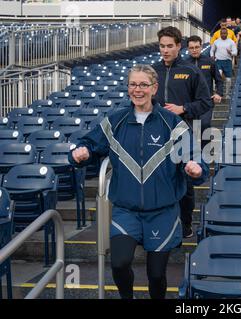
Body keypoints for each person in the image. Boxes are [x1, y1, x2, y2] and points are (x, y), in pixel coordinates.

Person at [68, 64, 209, 299]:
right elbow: (89, 144)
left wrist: (197, 168)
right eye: (133, 84)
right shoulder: (116, 120)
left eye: (143, 84)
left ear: (154, 88)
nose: (138, 89)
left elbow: (195, 156)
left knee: (156, 274)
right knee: (120, 263)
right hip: (126, 210)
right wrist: (80, 153)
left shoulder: (172, 123)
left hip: (162, 211)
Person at [152, 26, 212, 239]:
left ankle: (185, 224)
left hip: (183, 136)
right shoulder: (152, 71)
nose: (165, 50)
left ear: (179, 46)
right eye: (162, 46)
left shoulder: (191, 71)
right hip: (155, 137)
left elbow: (205, 102)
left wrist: (183, 108)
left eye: (170, 46)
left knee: (185, 182)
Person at [185, 35, 224, 146]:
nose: (194, 50)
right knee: (189, 129)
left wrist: (218, 93)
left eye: (197, 47)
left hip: (206, 101)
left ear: (201, 46)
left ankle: (205, 154)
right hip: (189, 103)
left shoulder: (209, 62)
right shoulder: (184, 64)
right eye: (191, 48)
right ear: (188, 49)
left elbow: (219, 80)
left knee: (205, 126)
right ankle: (191, 156)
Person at [210, 28, 237, 98]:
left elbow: (235, 52)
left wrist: (230, 52)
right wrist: (212, 56)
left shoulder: (231, 42)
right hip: (218, 61)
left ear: (227, 34)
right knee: (219, 74)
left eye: (225, 33)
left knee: (228, 80)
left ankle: (227, 94)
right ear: (220, 33)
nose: (223, 34)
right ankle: (217, 92)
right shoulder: (216, 42)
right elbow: (211, 50)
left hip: (228, 62)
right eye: (222, 33)